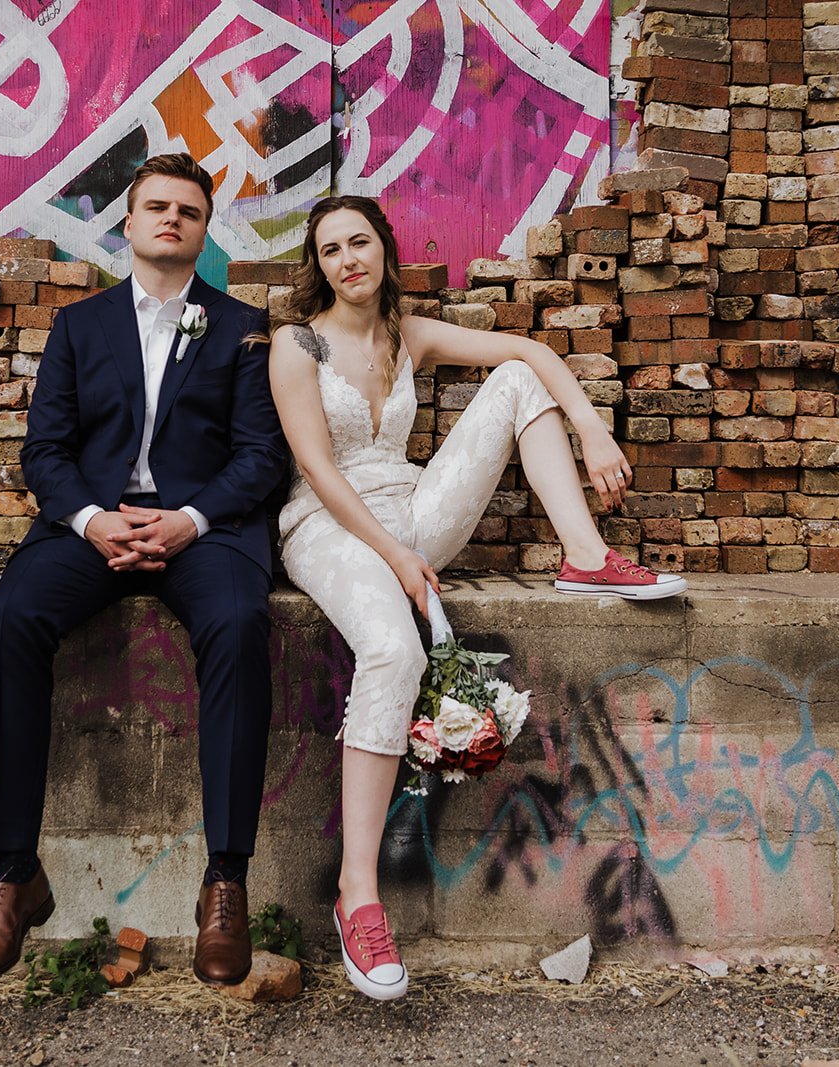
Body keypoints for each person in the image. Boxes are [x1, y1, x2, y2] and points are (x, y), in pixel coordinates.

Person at [267, 195, 685, 1000]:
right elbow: (316, 467)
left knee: (519, 379)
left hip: (414, 509)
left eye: (360, 242)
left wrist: (591, 425)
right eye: (329, 250)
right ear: (316, 265)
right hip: (328, 523)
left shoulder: (407, 332)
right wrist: (393, 555)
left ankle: (587, 555)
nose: (348, 259)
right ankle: (359, 899)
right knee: (394, 649)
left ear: (384, 249)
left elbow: (527, 348)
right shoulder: (298, 343)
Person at [0, 153, 288, 988]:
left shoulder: (244, 325)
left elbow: (260, 458)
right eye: (156, 207)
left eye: (188, 210)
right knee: (9, 620)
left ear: (204, 230)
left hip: (203, 529)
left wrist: (189, 520)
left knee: (242, 622)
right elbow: (45, 451)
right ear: (129, 225)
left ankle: (225, 878)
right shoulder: (80, 326)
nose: (171, 219)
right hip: (92, 527)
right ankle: (13, 874)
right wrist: (95, 520)